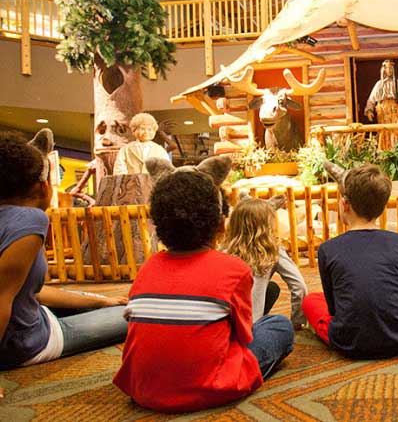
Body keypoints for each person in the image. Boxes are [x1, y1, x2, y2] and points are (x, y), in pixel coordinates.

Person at [113, 157, 294, 412]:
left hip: (142, 388)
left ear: (158, 224)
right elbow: (244, 336)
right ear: (221, 224)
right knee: (279, 326)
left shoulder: (147, 269)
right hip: (210, 387)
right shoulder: (233, 269)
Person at [0, 130, 127, 371]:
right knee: (140, 315)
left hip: (30, 318)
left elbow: (31, 291)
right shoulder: (30, 220)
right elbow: (2, 297)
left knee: (108, 303)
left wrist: (102, 302)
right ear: (43, 185)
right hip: (23, 343)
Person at [302, 163, 398, 358]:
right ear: (383, 207)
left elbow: (333, 308)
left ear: (344, 204)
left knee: (310, 300)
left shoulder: (327, 249)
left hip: (347, 342)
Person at [222, 194, 308, 328]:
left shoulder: (223, 252)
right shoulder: (273, 250)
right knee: (281, 324)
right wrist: (297, 321)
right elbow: (300, 287)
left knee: (272, 288)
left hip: (222, 328)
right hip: (250, 331)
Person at [364, 59, 398, 150]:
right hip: (384, 113)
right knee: (385, 133)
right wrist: (369, 110)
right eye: (387, 68)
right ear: (383, 70)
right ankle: (386, 153)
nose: (389, 70)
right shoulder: (379, 84)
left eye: (390, 68)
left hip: (396, 112)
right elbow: (371, 99)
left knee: (397, 133)